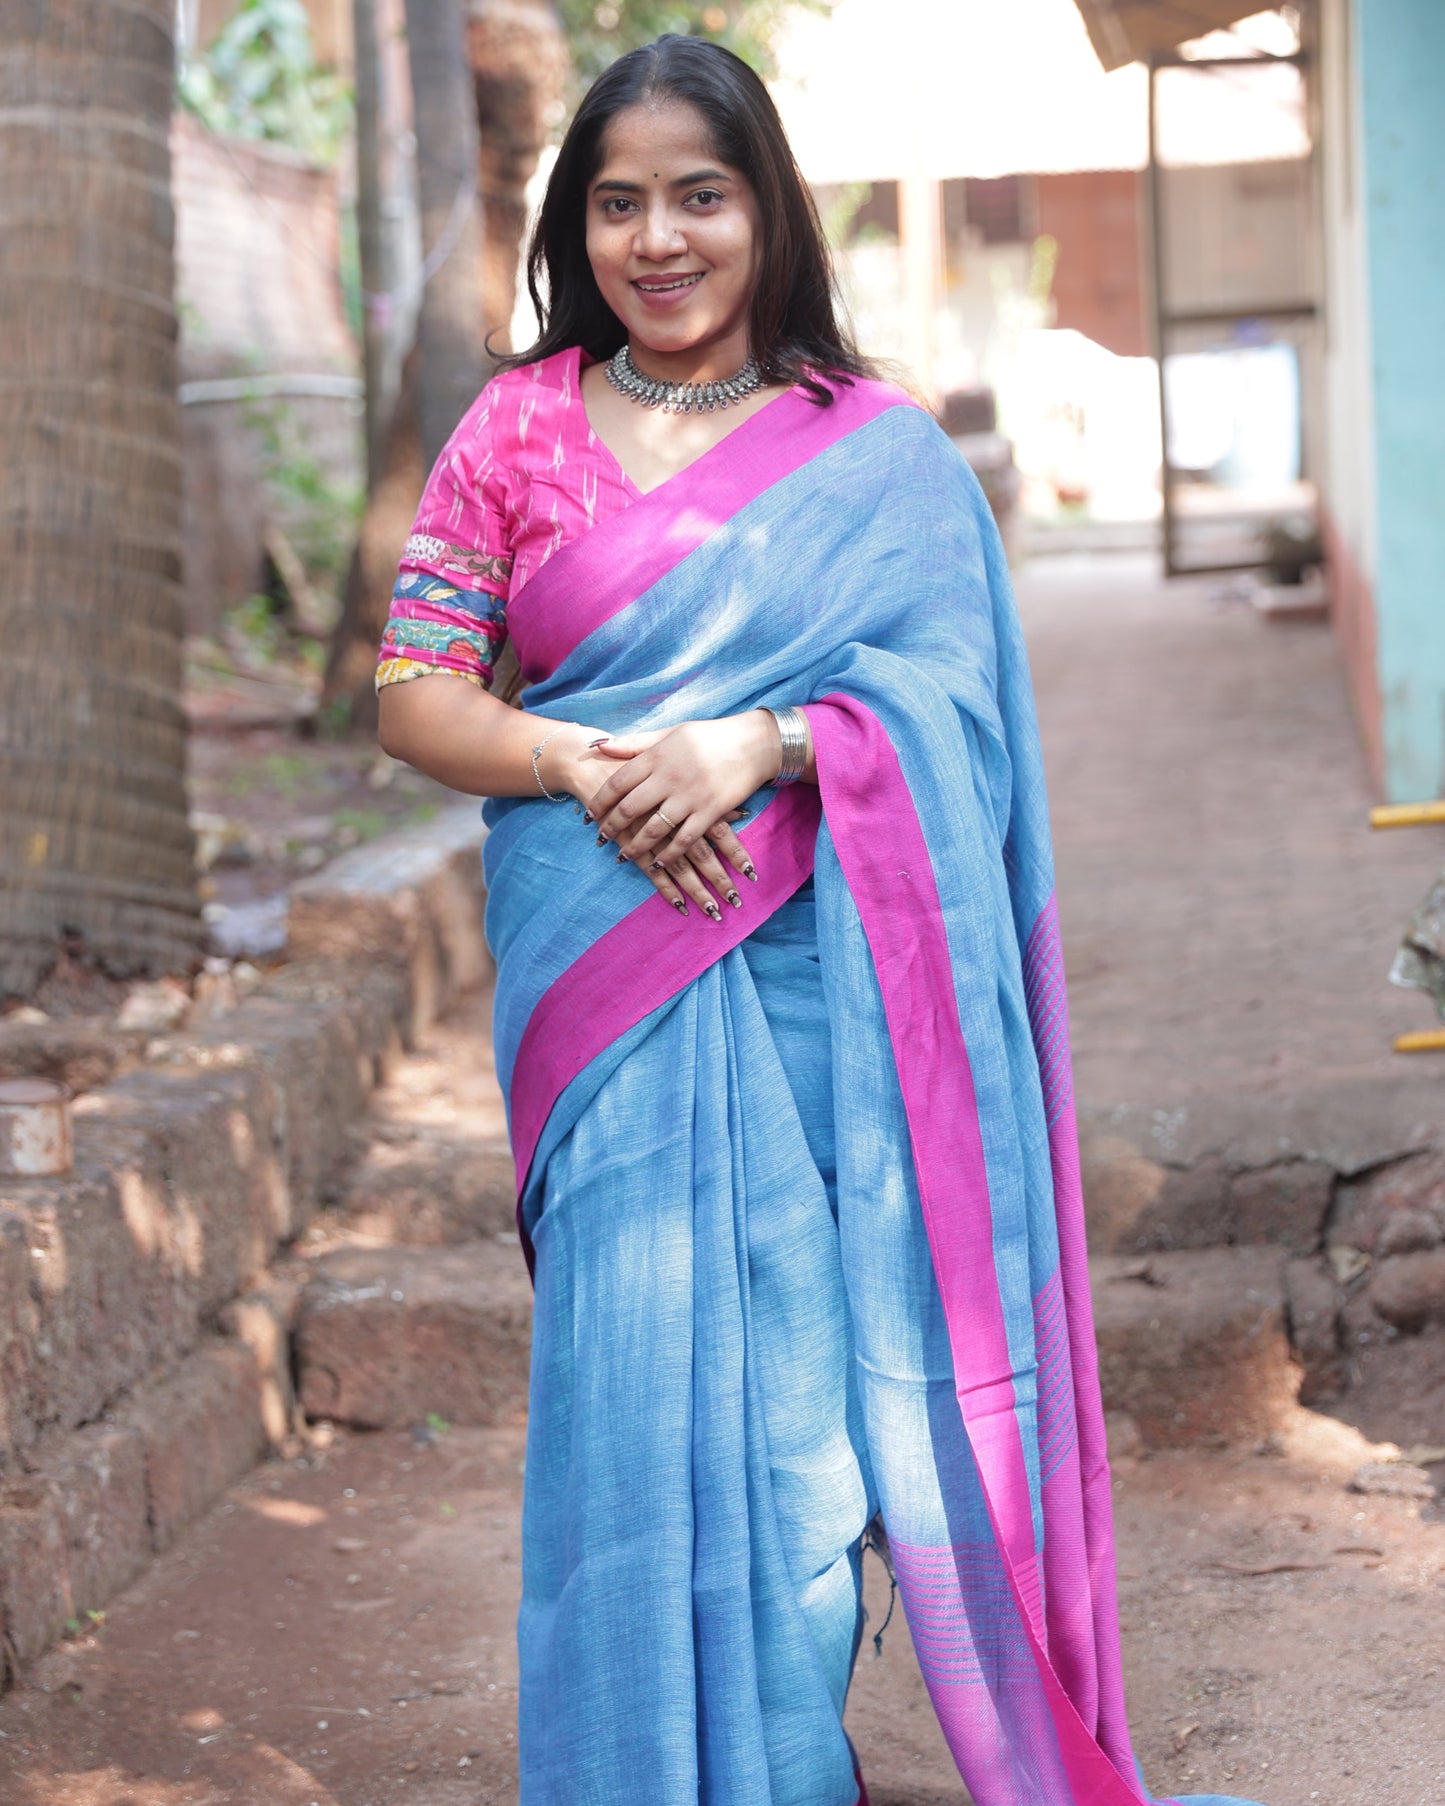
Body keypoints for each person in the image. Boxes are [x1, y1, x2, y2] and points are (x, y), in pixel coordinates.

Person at [375, 33, 1263, 1806]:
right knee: (643, 1411)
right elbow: (413, 691)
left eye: (699, 195)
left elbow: (959, 719)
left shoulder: (875, 456)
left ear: (766, 209)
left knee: (810, 1423)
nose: (658, 238)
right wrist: (588, 762)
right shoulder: (518, 423)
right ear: (577, 223)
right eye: (617, 201)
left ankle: (783, 1759)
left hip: (830, 980)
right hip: (604, 995)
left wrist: (762, 744)